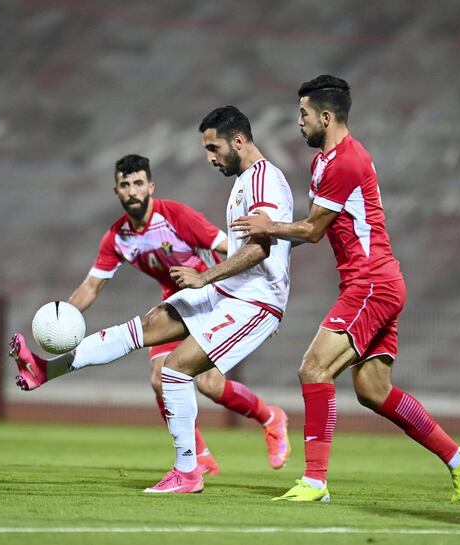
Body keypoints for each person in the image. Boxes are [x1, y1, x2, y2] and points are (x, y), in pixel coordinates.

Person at [10, 106, 294, 493]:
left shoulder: (263, 182)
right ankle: (46, 370)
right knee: (143, 332)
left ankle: (191, 470)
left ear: (238, 140)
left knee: (178, 374)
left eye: (213, 148)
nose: (210, 158)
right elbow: (92, 286)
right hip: (224, 290)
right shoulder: (242, 182)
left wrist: (203, 276)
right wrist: (66, 319)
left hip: (253, 302)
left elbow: (258, 249)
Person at [231, 74, 460, 504]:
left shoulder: (348, 161)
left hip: (372, 283)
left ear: (326, 116)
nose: (299, 122)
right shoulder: (323, 163)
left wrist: (268, 227)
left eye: (304, 114)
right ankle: (458, 457)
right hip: (374, 282)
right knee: (373, 390)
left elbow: (311, 230)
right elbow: (313, 229)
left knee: (313, 368)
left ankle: (314, 481)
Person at [57, 153, 289, 476]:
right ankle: (200, 456)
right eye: (125, 185)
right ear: (117, 192)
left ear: (151, 186)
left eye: (138, 183)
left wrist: (256, 299)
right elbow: (91, 288)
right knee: (159, 378)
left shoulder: (177, 216)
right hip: (175, 302)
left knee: (209, 383)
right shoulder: (118, 237)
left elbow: (231, 247)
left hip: (212, 297)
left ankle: (270, 418)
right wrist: (61, 321)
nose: (133, 191)